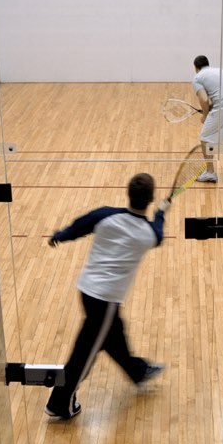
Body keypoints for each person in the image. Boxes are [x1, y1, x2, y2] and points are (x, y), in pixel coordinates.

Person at [43, 173, 171, 419]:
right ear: (151, 198)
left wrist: (61, 235)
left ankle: (137, 372)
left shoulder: (106, 215)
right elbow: (158, 230)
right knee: (86, 351)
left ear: (128, 194)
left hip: (88, 290)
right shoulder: (149, 235)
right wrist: (162, 212)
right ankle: (59, 402)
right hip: (105, 300)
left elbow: (80, 225)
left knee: (114, 336)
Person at [189, 55, 223, 183]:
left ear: (196, 67)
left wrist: (205, 115)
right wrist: (212, 107)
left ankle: (210, 173)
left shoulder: (197, 77)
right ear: (208, 64)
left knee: (204, 138)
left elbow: (203, 99)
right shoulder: (221, 71)